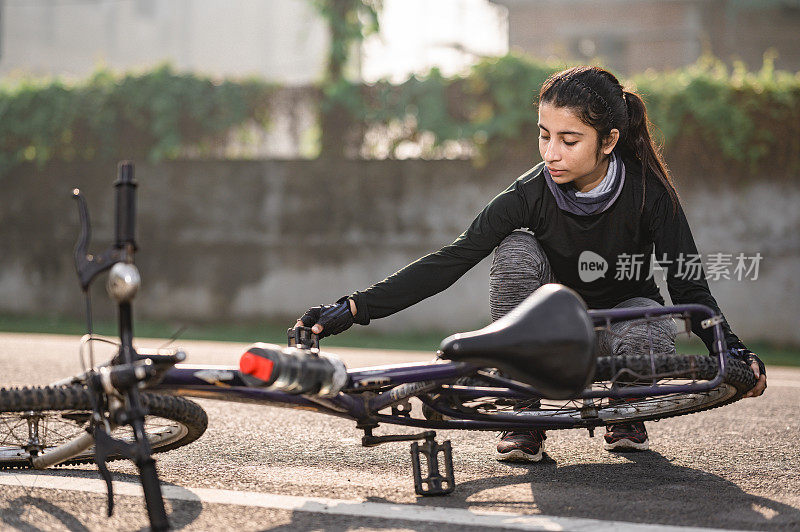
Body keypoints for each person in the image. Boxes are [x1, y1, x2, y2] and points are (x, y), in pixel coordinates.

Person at [294, 66, 767, 462]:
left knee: (650, 324)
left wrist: (737, 354)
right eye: (544, 136)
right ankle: (523, 411)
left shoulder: (649, 193)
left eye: (569, 139)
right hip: (548, 333)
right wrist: (352, 308)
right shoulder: (529, 194)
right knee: (516, 249)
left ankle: (627, 411)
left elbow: (689, 290)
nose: (551, 153)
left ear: (609, 141)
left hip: (622, 325)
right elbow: (451, 260)